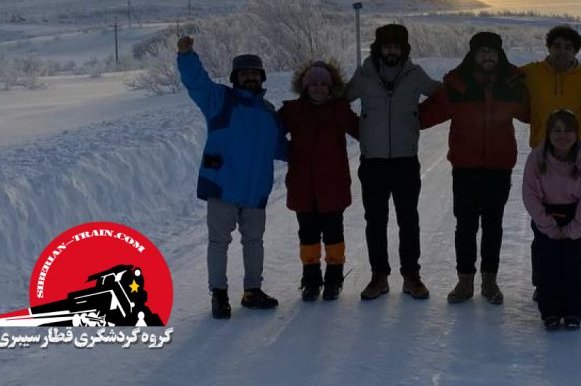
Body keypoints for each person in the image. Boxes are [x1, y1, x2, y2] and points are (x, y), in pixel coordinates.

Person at [176, 36, 286, 319]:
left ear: (261, 77)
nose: (250, 76)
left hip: (255, 190)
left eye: (254, 73)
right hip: (223, 187)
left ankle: (252, 291)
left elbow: (281, 149)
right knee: (218, 242)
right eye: (244, 72)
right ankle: (219, 295)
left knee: (254, 242)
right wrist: (187, 56)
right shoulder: (219, 100)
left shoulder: (268, 112)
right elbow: (196, 82)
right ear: (235, 77)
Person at [419, 31, 529, 305]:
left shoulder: (512, 82)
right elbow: (423, 116)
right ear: (473, 55)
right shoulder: (457, 85)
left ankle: (490, 282)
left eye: (492, 51)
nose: (487, 55)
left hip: (499, 168)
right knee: (465, 226)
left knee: (493, 226)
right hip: (465, 169)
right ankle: (465, 281)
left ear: (499, 54)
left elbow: (534, 112)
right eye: (482, 51)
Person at [346, 23, 441, 300]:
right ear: (378, 48)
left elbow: (441, 95)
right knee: (375, 220)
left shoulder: (415, 74)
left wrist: (418, 120)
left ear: (404, 49)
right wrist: (360, 130)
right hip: (372, 162)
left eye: (396, 46)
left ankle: (411, 275)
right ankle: (379, 276)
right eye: (386, 45)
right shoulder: (364, 75)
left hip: (405, 161)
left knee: (408, 220)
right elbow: (339, 102)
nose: (391, 50)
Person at [520, 24, 581, 301]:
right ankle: (542, 284)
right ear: (549, 47)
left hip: (575, 158)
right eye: (557, 45)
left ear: (575, 50)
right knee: (542, 231)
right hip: (542, 158)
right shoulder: (531, 73)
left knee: (580, 234)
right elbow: (506, 85)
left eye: (568, 46)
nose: (562, 51)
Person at [278, 60, 359, 301]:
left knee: (334, 233)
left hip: (333, 185)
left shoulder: (340, 108)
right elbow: (268, 134)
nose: (319, 88)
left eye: (324, 84)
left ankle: (334, 279)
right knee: (308, 234)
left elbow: (362, 131)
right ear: (304, 87)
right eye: (313, 84)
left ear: (331, 86)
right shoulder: (292, 111)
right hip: (302, 186)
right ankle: (311, 280)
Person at [522, 110, 581, 330]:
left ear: (576, 134)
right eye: (556, 130)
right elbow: (531, 195)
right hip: (547, 217)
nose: (562, 136)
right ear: (548, 133)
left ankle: (573, 311)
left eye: (568, 131)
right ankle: (550, 312)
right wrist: (547, 226)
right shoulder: (537, 157)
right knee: (548, 264)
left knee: (574, 264)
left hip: (576, 216)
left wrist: (577, 228)